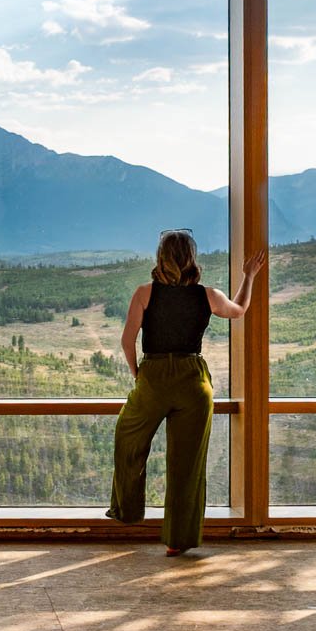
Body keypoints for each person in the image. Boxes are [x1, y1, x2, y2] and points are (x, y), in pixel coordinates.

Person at [107, 228, 266, 555]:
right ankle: (178, 542)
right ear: (191, 258)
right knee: (187, 464)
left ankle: (128, 511)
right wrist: (248, 276)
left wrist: (140, 374)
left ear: (160, 257)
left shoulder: (144, 293)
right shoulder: (208, 294)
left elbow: (127, 341)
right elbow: (239, 310)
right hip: (194, 380)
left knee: (127, 438)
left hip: (154, 374)